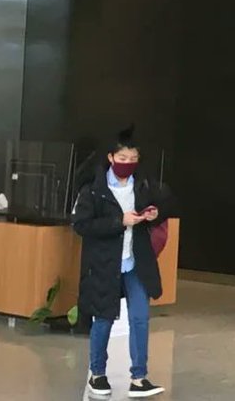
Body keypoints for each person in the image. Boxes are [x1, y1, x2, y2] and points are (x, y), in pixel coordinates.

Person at [72, 129, 175, 399]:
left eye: (133, 158)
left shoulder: (142, 184)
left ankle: (139, 377)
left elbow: (163, 203)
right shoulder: (93, 189)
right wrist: (119, 222)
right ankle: (98, 374)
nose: (127, 162)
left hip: (135, 263)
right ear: (110, 157)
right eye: (122, 157)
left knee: (140, 318)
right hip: (105, 264)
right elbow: (81, 225)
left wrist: (153, 214)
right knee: (104, 318)